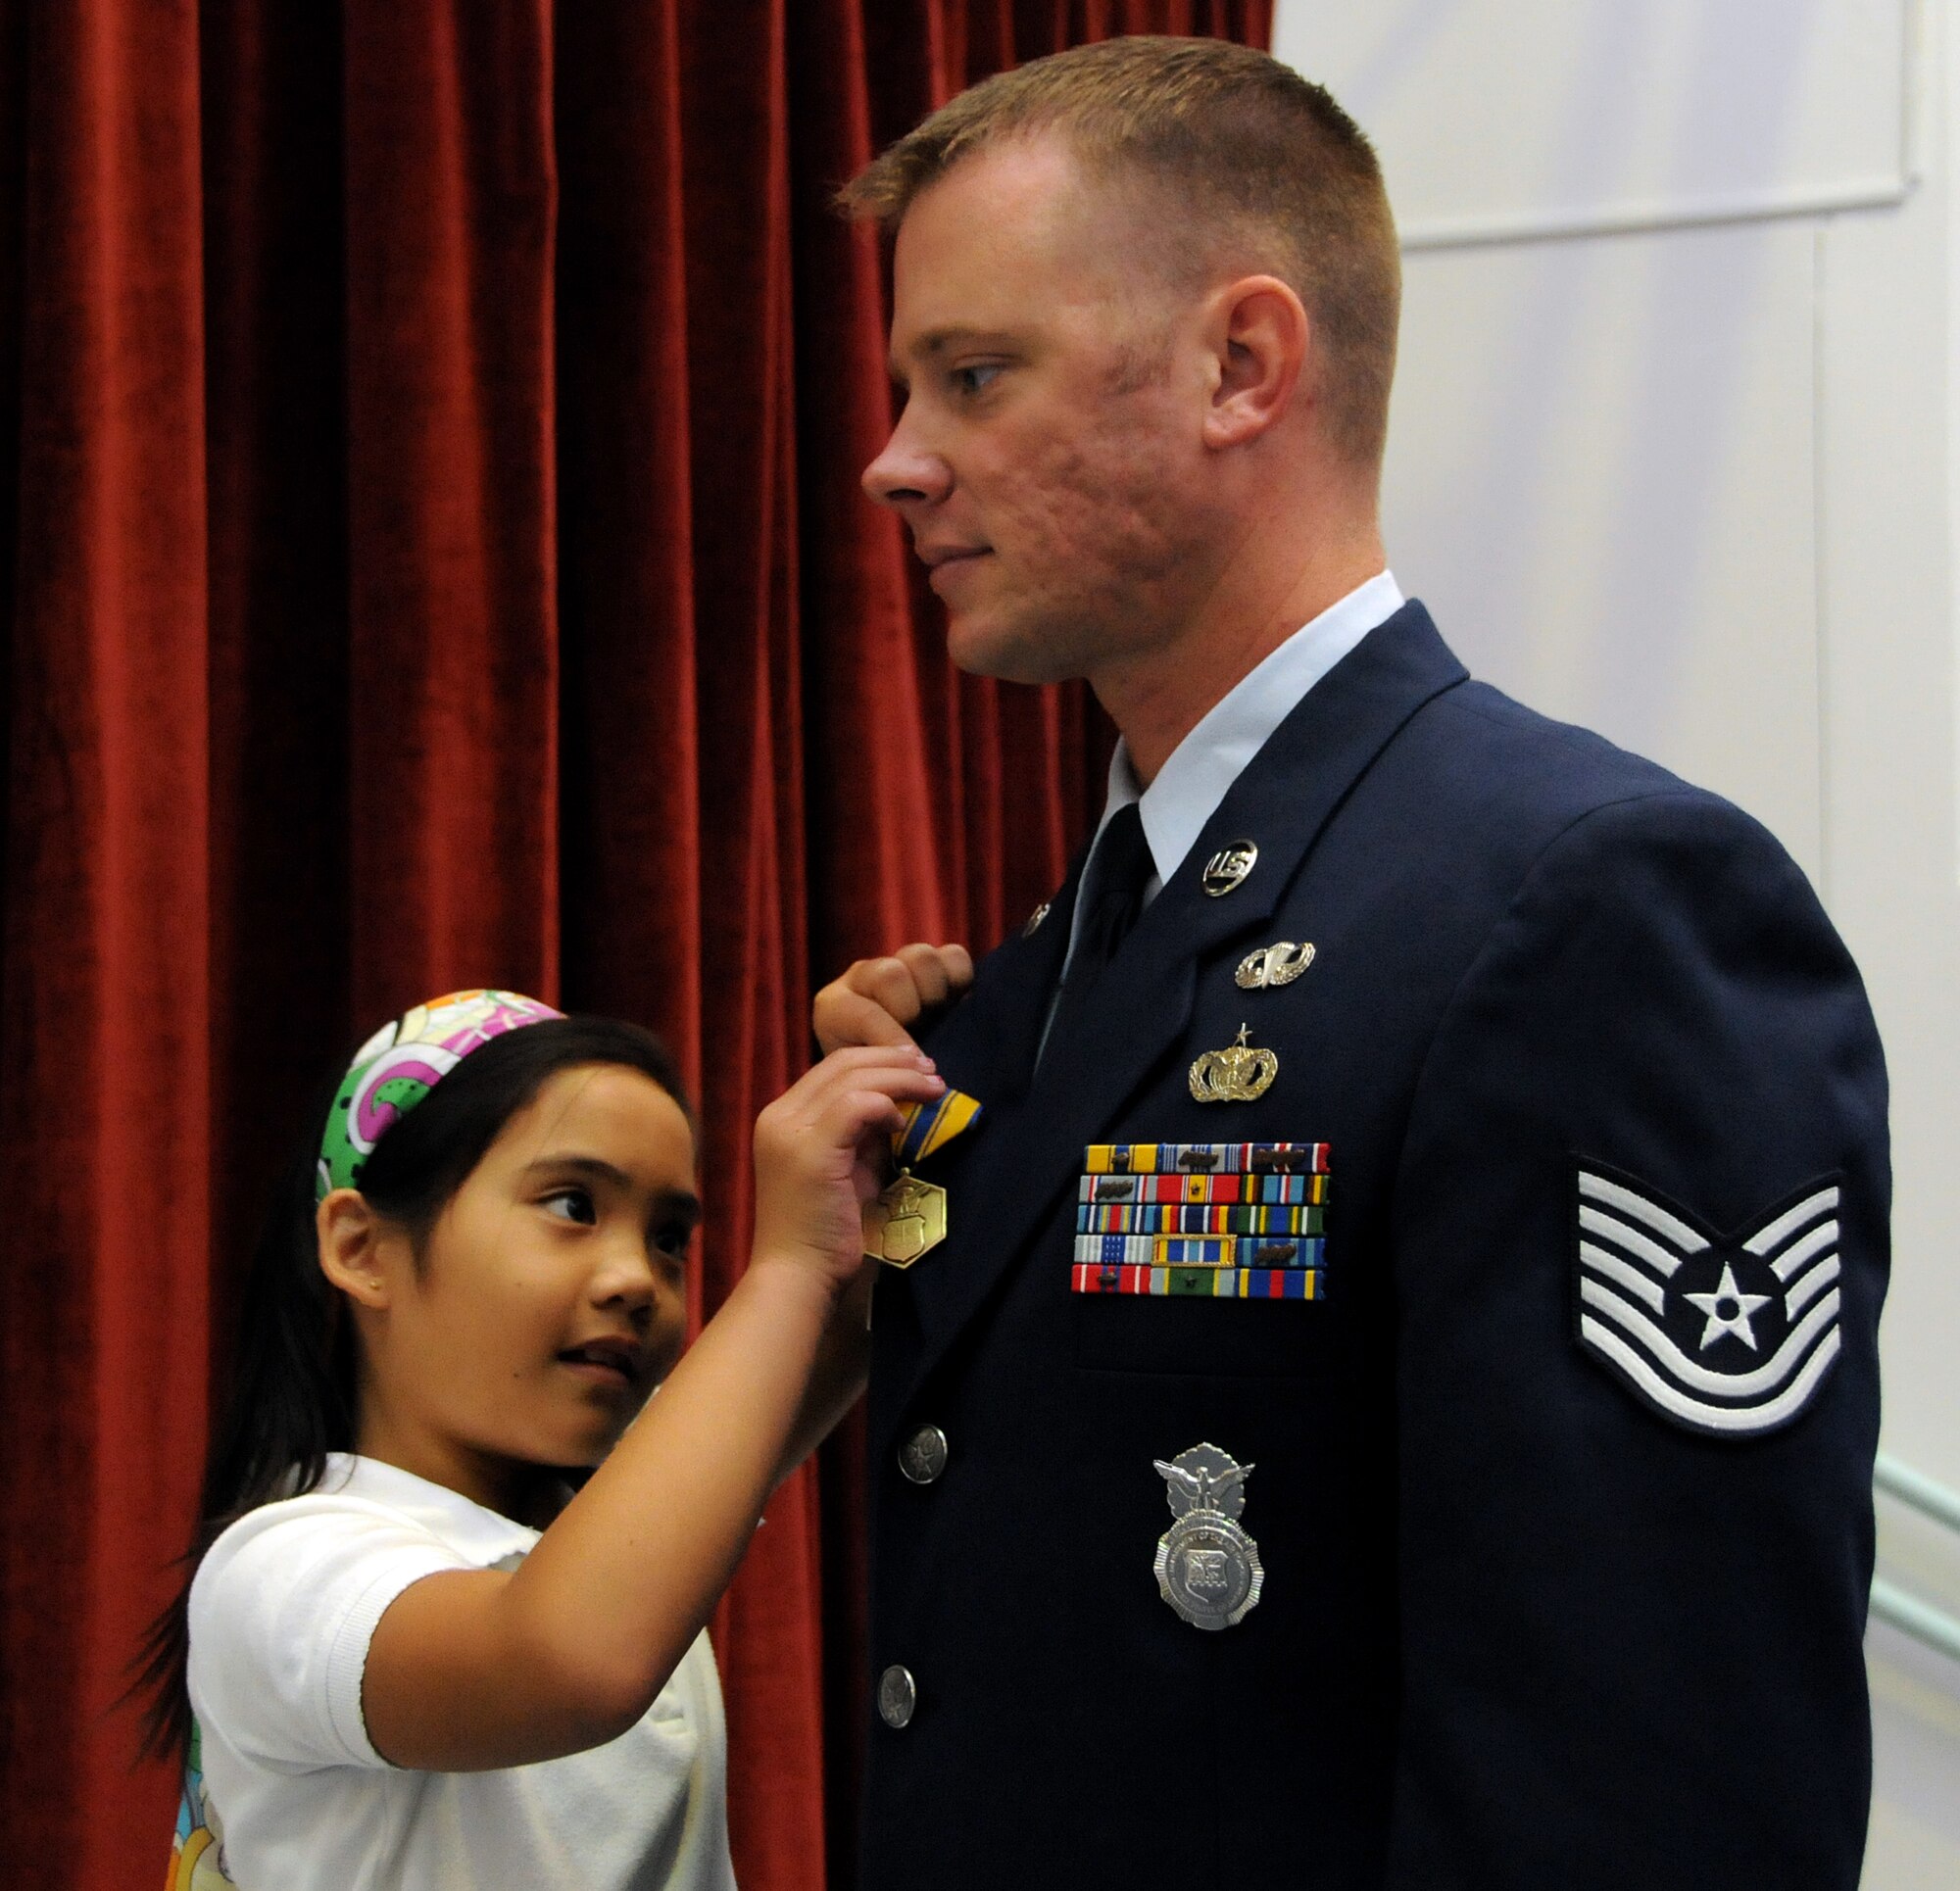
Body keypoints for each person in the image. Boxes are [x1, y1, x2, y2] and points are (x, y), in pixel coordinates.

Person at [815, 36, 1888, 1891]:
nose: (895, 462)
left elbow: (1651, 1785)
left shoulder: (1584, 905)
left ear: (1244, 365)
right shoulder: (1051, 966)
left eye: (976, 377)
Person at [138, 988, 943, 1891]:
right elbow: (565, 1662)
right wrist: (789, 1266)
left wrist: (928, 1097)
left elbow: (837, 1329)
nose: (638, 1278)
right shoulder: (282, 1563)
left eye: (670, 1237)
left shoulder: (594, 1521)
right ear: (363, 1249)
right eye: (571, 1206)